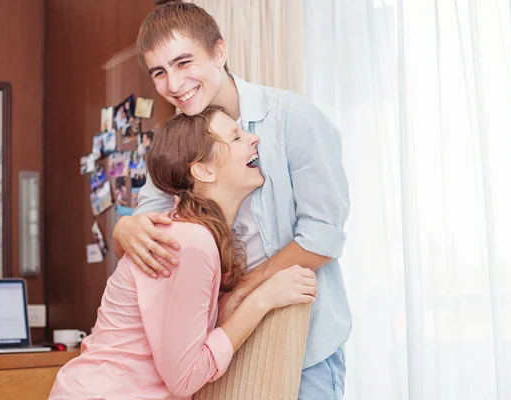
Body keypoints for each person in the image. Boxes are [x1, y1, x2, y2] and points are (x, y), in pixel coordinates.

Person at [113, 2, 351, 398]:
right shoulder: (179, 140)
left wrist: (245, 289)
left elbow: (323, 235)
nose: (173, 83)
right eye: (159, 72)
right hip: (222, 343)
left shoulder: (294, 118)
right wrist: (124, 227)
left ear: (219, 52)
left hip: (304, 343)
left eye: (184, 62)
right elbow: (150, 222)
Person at [49, 106, 317, 400]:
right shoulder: (189, 243)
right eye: (236, 137)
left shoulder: (196, 237)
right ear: (203, 170)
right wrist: (263, 300)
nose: (254, 138)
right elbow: (186, 377)